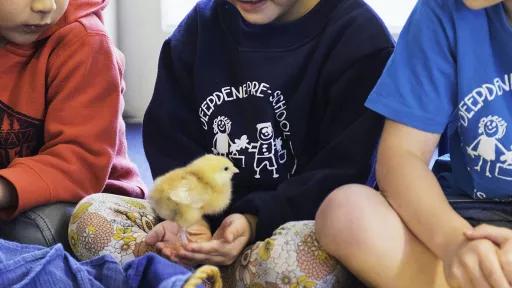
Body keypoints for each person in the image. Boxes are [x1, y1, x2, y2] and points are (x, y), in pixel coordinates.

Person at [71, 0, 393, 285]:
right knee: (91, 216)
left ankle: (181, 278)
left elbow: (343, 174)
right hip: (208, 226)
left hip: (289, 229)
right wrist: (191, 221)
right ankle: (202, 273)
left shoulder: (359, 40)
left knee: (305, 263)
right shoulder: (200, 26)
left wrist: (253, 221)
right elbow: (170, 139)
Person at [315, 0, 512, 287]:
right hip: (466, 215)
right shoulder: (441, 10)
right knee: (346, 213)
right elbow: (401, 157)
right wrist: (455, 244)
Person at [0, 0, 145, 249]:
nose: (46, 6)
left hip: (95, 199)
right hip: (12, 192)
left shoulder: (86, 42)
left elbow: (79, 162)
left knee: (30, 233)